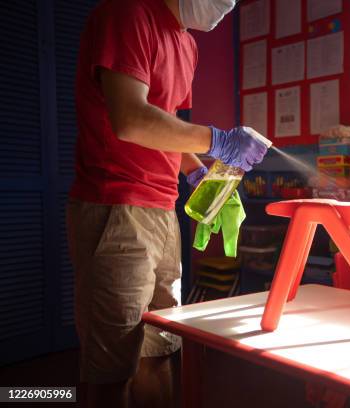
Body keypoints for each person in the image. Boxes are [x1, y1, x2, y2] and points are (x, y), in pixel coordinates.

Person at [66, 0, 267, 407]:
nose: (226, 5)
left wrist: (199, 177)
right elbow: (131, 119)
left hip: (162, 211)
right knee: (113, 364)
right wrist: (219, 141)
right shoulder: (127, 15)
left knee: (161, 347)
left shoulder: (187, 44)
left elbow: (165, 125)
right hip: (117, 206)